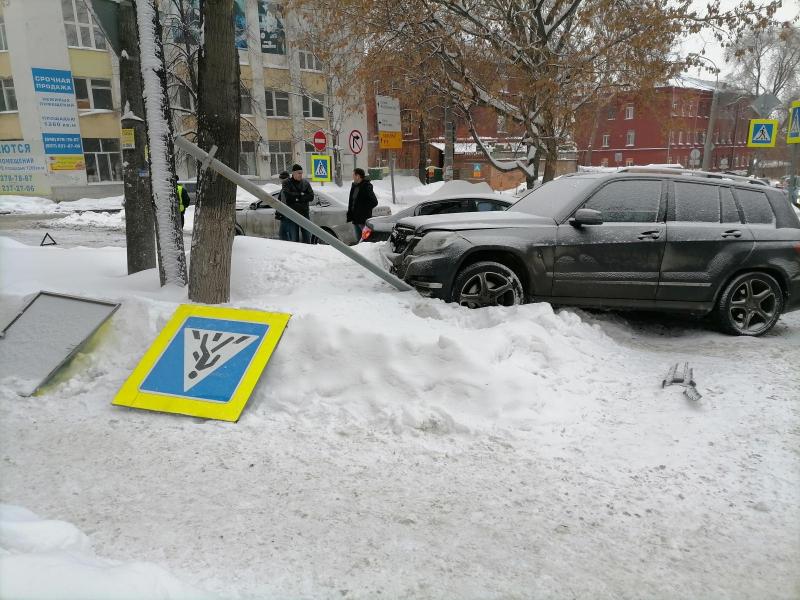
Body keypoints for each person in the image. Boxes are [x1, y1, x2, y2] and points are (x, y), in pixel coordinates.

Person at [280, 164, 314, 243]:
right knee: (294, 238)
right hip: (292, 214)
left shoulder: (305, 183)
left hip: (304, 213)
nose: (300, 175)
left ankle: (308, 252)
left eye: (301, 173)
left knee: (307, 236)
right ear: (293, 173)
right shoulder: (286, 182)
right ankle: (296, 254)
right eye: (299, 173)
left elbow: (311, 196)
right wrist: (301, 195)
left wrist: (297, 198)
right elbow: (288, 196)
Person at [347, 168, 378, 242]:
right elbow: (352, 201)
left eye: (354, 175)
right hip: (355, 219)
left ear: (358, 176)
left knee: (366, 241)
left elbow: (374, 202)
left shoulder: (366, 186)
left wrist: (362, 210)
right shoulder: (354, 186)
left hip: (363, 220)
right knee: (359, 240)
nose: (353, 176)